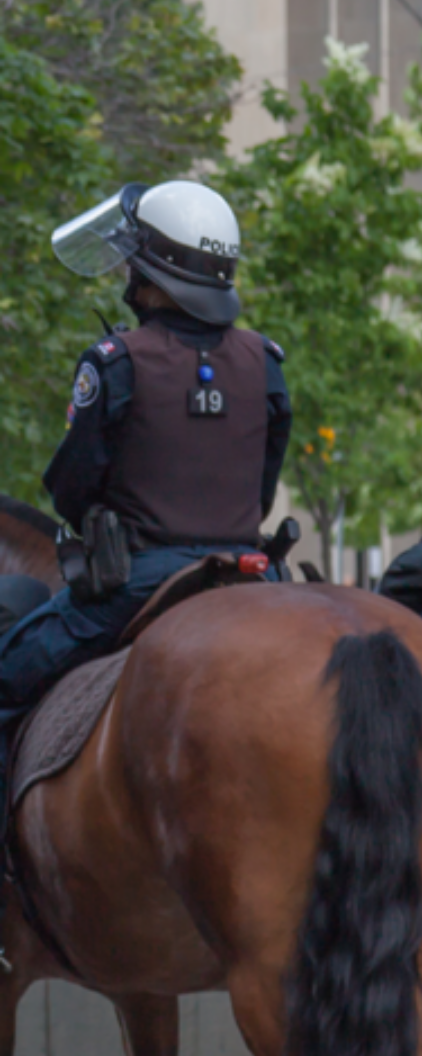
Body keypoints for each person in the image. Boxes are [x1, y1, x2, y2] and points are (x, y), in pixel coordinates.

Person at [0, 179, 291, 849]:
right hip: (252, 580)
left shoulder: (115, 363)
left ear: (153, 277)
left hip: (138, 580)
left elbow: (71, 489)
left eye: (135, 261)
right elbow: (265, 483)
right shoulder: (266, 362)